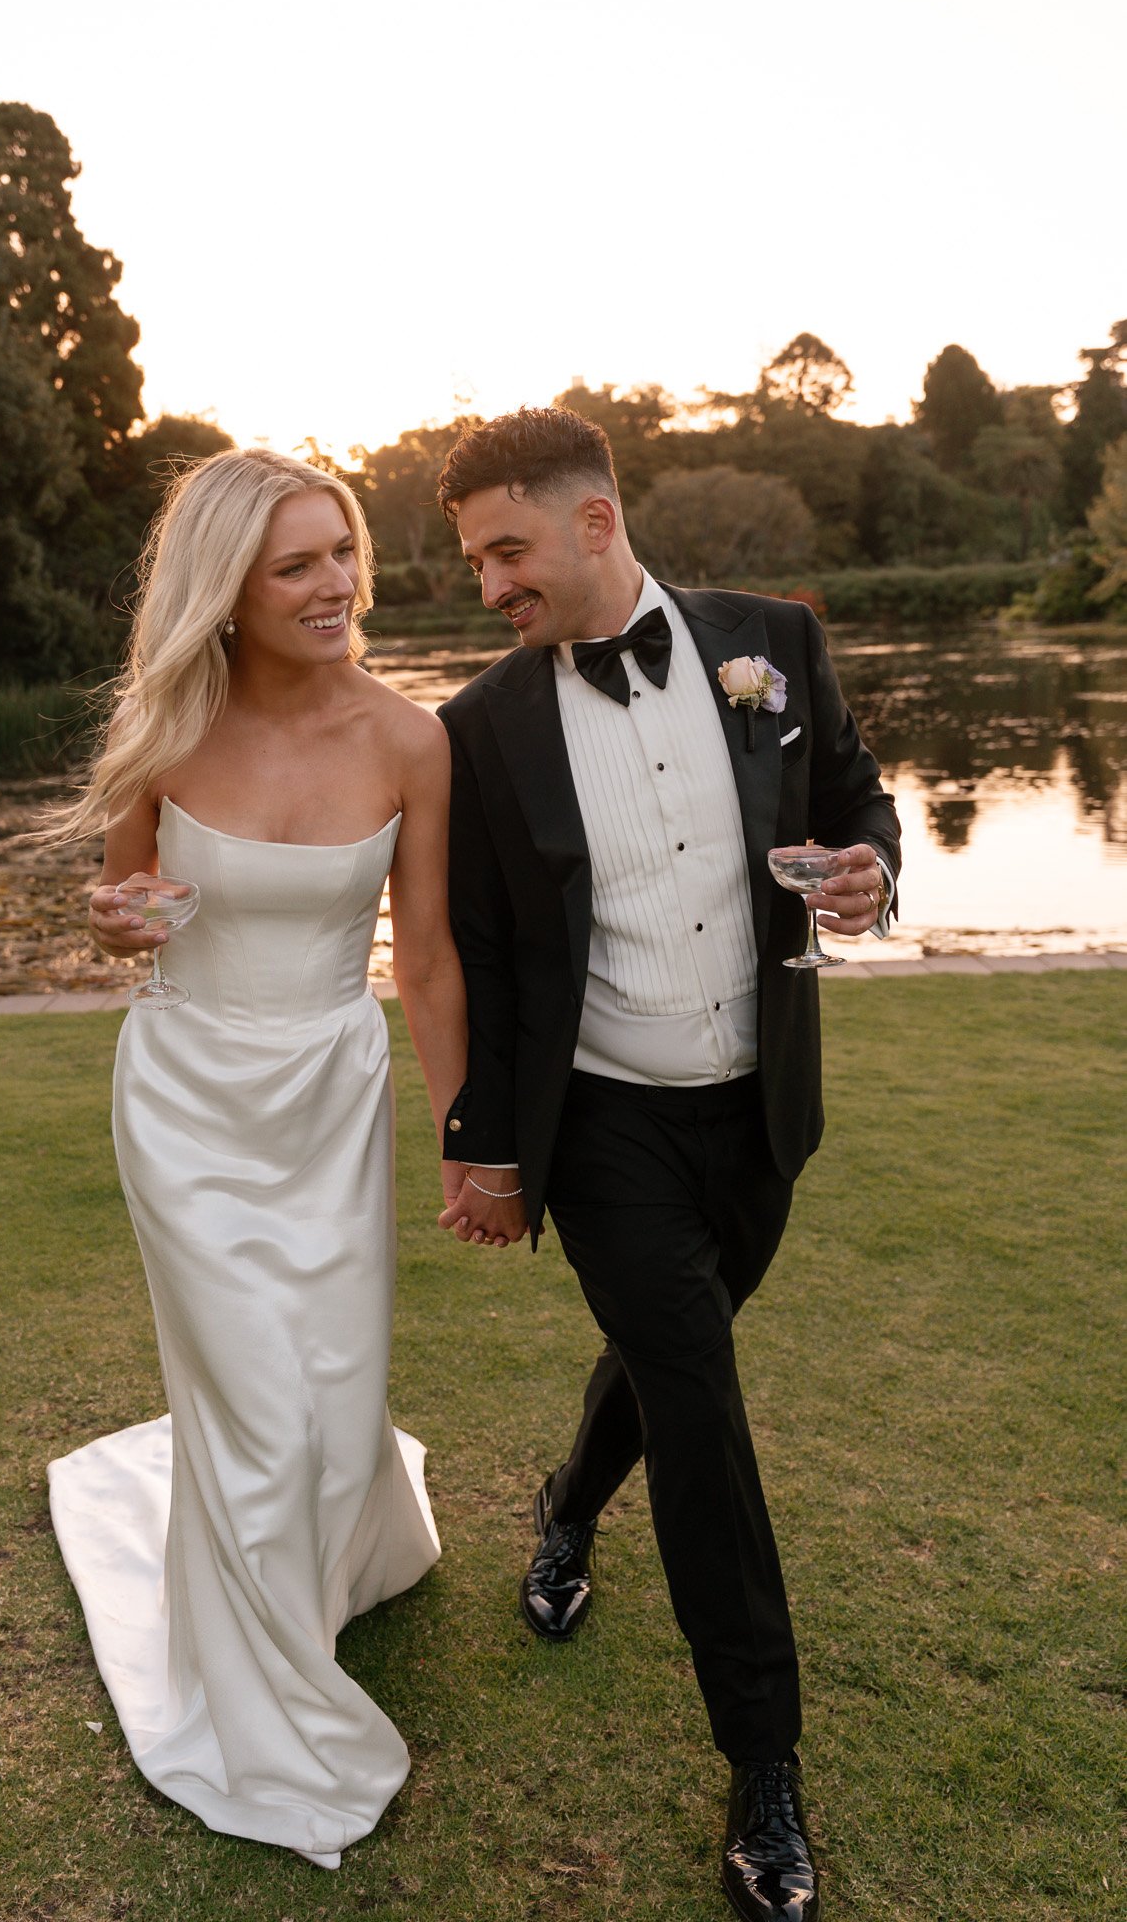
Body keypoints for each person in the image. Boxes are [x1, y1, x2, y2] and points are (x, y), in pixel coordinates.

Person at [431, 406, 901, 1922]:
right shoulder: (476, 728)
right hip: (605, 1123)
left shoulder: (771, 643)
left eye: (507, 550)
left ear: (592, 521)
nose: (489, 584)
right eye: (472, 560)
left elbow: (852, 800)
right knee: (698, 1400)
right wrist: (487, 1148)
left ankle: (568, 1504)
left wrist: (867, 875)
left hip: (760, 1111)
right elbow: (488, 956)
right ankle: (762, 1764)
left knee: (664, 1356)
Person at [45, 447, 468, 1869]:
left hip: (329, 1093)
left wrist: (468, 1144)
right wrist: (113, 927)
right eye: (297, 563)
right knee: (256, 1411)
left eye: (341, 550)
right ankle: (272, 1705)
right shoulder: (165, 733)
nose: (336, 583)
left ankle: (341, 1558)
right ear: (226, 588)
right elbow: (123, 909)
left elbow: (429, 959)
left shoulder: (413, 741)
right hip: (187, 1096)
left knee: (335, 1409)